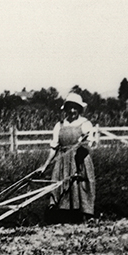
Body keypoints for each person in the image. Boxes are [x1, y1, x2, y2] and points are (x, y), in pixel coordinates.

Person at [37, 92, 96, 223]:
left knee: (81, 185)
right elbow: (54, 148)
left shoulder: (85, 124)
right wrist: (45, 165)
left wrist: (84, 142)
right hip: (63, 161)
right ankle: (64, 217)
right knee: (60, 186)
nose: (72, 111)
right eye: (70, 107)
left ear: (80, 109)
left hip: (80, 160)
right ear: (66, 109)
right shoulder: (59, 125)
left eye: (75, 107)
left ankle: (85, 216)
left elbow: (91, 143)